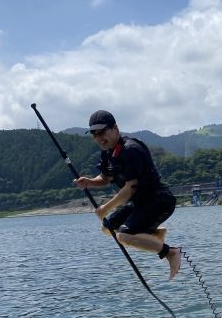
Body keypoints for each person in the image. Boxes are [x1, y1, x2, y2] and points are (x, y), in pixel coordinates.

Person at [73, 110, 182, 280]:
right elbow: (105, 178)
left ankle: (171, 253)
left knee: (124, 236)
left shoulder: (131, 149)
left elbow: (130, 187)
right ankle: (154, 234)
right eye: (95, 134)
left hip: (158, 200)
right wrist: (90, 182)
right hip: (139, 203)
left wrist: (106, 208)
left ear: (115, 128)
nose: (99, 138)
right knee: (108, 228)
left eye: (102, 132)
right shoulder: (108, 152)